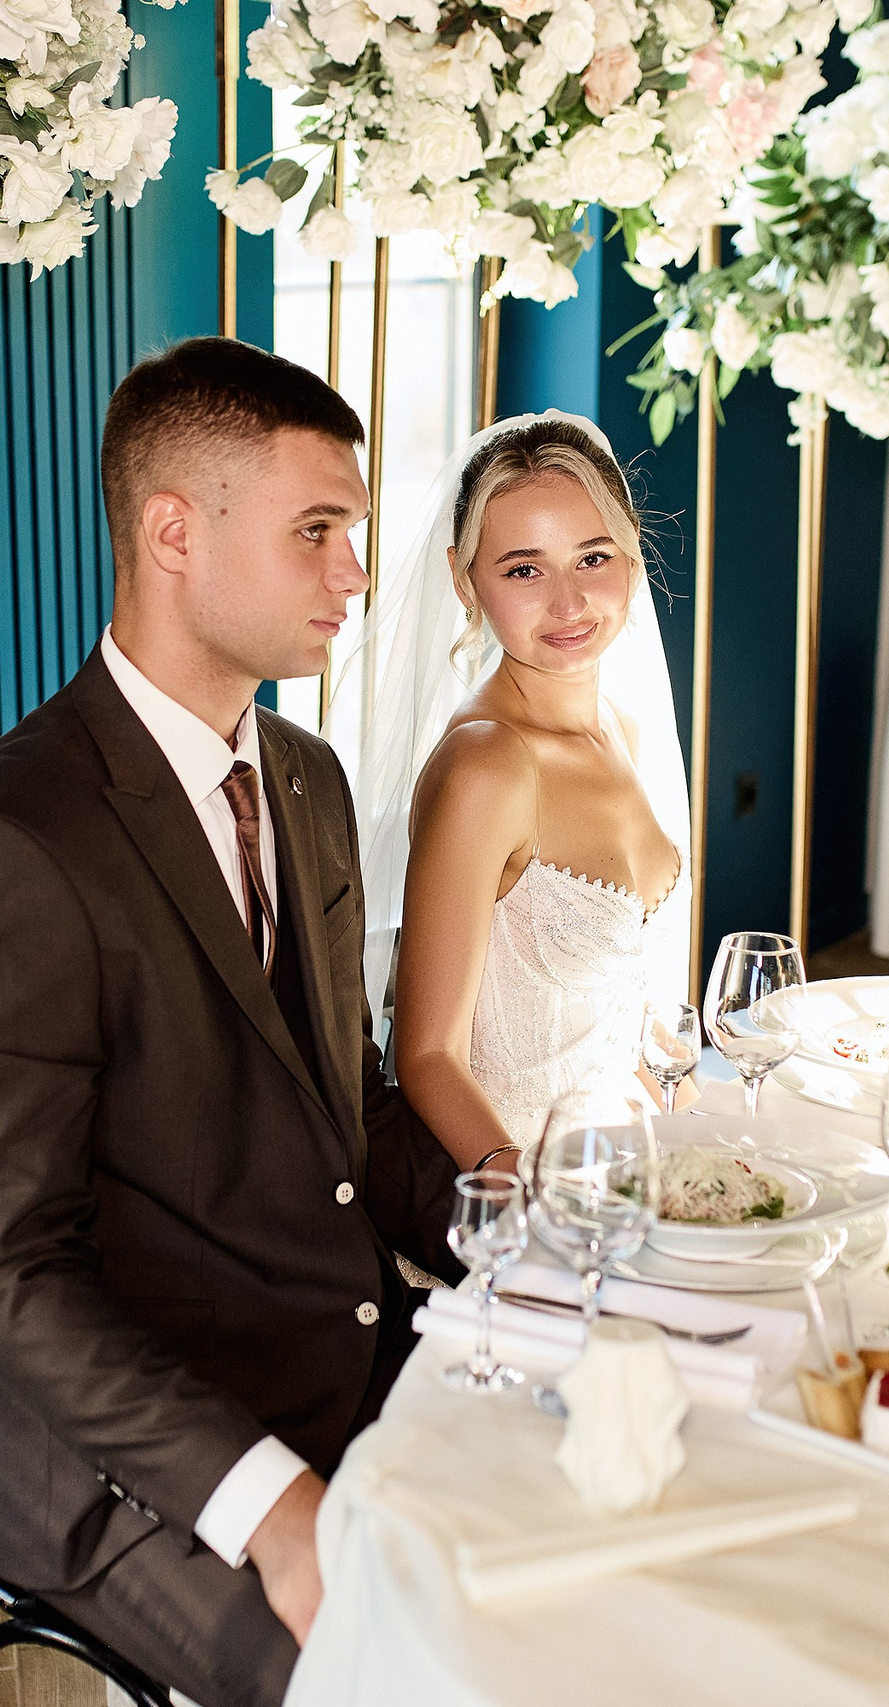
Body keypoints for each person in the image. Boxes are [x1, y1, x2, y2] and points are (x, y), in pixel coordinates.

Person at [0, 337, 462, 1707]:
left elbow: (354, 1102)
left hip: (344, 1353)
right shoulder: (4, 846)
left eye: (355, 533)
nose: (356, 574)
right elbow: (6, 1270)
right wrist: (271, 1504)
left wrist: (523, 1239)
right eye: (318, 531)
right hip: (114, 1460)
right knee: (405, 1677)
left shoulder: (307, 782)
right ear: (172, 532)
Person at [362, 413, 693, 1171]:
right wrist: (533, 1216)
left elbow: (603, 1018)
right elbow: (428, 1056)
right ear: (463, 578)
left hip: (623, 1169)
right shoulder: (488, 768)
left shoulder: (622, 730)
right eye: (523, 569)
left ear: (632, 555)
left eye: (592, 556)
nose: (569, 602)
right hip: (516, 1207)